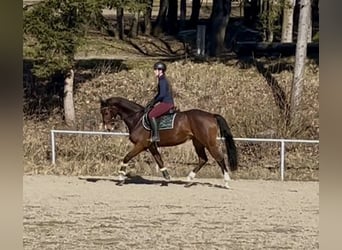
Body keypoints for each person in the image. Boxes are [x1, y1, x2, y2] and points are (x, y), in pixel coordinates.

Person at [145, 61, 175, 142]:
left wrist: (153, 102)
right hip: (166, 102)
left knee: (151, 115)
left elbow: (161, 95)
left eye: (156, 69)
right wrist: (152, 101)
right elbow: (159, 94)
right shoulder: (162, 80)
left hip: (166, 103)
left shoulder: (162, 81)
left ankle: (156, 136)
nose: (154, 71)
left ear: (160, 70)